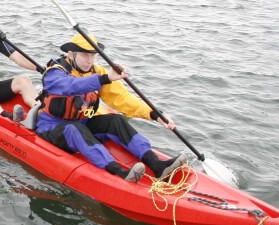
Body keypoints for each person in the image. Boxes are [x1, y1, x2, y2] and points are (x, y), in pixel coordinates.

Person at [36, 34, 188, 182]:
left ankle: (156, 164)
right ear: (71, 54)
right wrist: (105, 79)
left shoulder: (98, 71)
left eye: (93, 56)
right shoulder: (54, 72)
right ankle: (118, 172)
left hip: (82, 123)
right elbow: (71, 86)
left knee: (115, 120)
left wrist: (154, 114)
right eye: (84, 55)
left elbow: (122, 99)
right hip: (51, 128)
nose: (89, 61)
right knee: (74, 129)